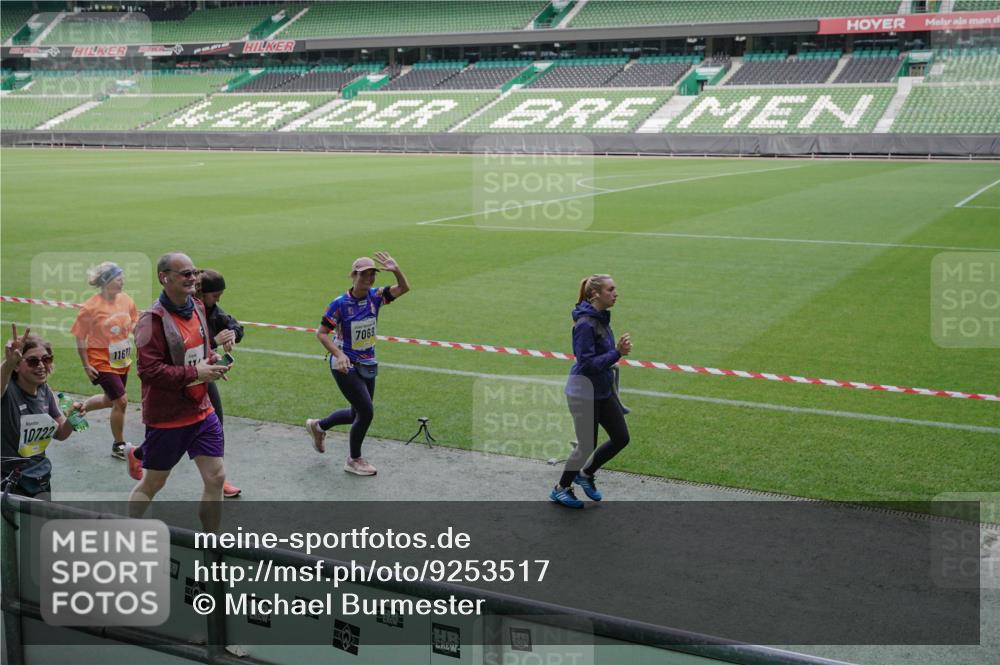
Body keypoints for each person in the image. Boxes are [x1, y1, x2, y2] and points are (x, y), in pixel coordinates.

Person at [128, 252, 229, 531]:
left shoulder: (196, 306)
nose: (193, 278)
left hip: (201, 411)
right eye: (185, 274)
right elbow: (149, 372)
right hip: (169, 417)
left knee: (216, 477)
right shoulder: (151, 321)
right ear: (164, 278)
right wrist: (197, 373)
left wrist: (211, 360)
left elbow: (199, 348)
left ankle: (212, 544)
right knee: (153, 483)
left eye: (194, 273)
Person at [306, 252, 409, 476]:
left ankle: (319, 426)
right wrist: (339, 354)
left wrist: (397, 270)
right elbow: (322, 333)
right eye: (364, 274)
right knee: (366, 411)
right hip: (345, 365)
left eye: (372, 274)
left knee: (357, 414)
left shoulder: (376, 296)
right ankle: (354, 459)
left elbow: (403, 289)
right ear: (353, 275)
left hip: (367, 363)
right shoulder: (339, 304)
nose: (369, 278)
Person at [550, 274, 632, 509]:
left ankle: (585, 474)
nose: (616, 293)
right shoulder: (586, 324)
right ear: (595, 294)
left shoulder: (602, 318)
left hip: (601, 390)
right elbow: (586, 364)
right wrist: (617, 353)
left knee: (621, 438)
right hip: (582, 392)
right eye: (610, 289)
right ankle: (561, 488)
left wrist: (616, 353)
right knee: (587, 444)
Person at [2, 325, 85, 498]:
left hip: (38, 476)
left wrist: (72, 418)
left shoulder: (45, 391)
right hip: (7, 479)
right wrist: (7, 364)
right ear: (17, 366)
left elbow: (61, 433)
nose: (41, 366)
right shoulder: (7, 391)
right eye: (33, 361)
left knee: (41, 522)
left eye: (46, 359)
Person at [70, 261, 139, 461]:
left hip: (122, 360)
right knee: (121, 401)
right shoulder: (91, 307)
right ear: (106, 281)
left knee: (110, 400)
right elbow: (80, 336)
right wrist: (86, 364)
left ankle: (79, 409)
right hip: (100, 361)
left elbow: (133, 321)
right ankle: (118, 445)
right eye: (118, 279)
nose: (122, 282)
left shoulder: (126, 299)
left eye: (122, 278)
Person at [195, 269, 244, 498]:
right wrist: (214, 342)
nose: (218, 301)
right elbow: (187, 348)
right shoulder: (186, 311)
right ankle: (138, 455)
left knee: (216, 425)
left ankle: (220, 478)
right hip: (180, 380)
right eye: (215, 296)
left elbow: (234, 324)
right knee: (169, 437)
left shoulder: (212, 309)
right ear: (201, 292)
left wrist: (232, 334)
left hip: (203, 377)